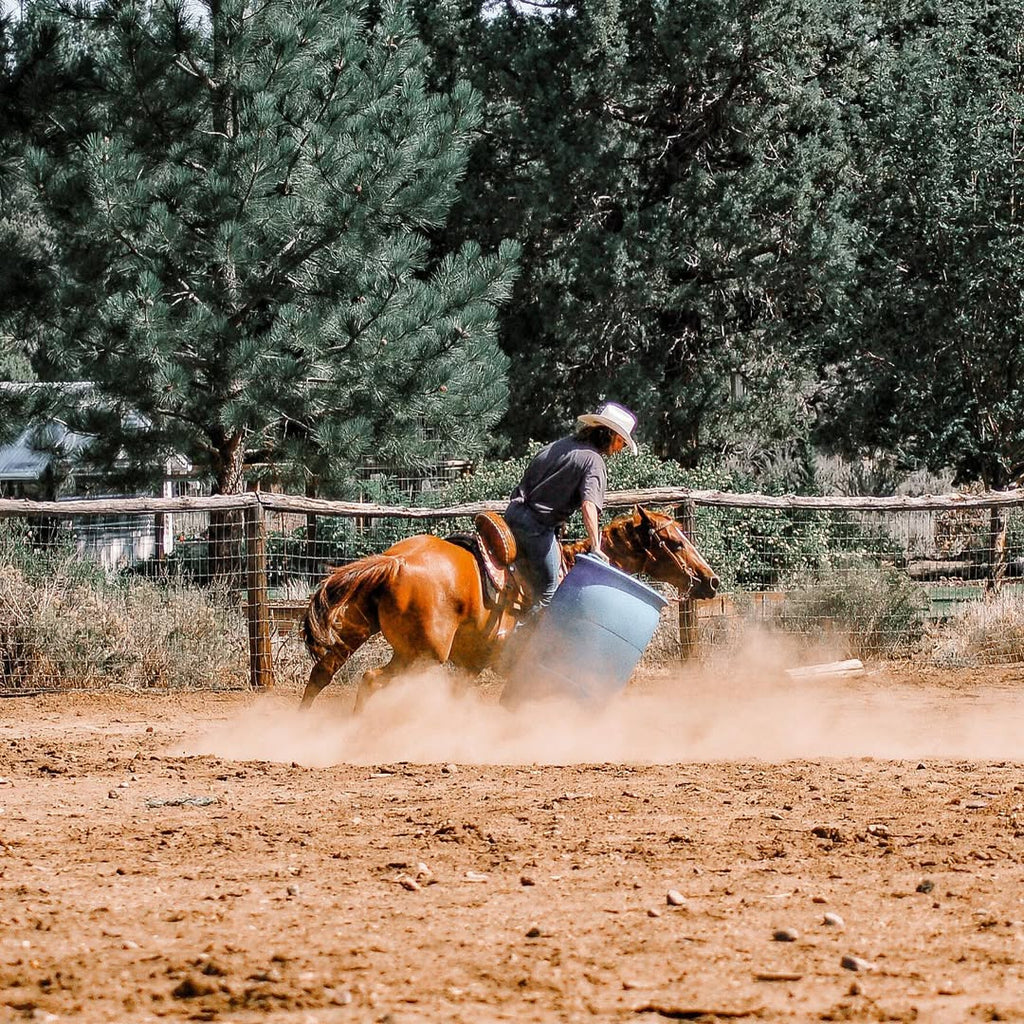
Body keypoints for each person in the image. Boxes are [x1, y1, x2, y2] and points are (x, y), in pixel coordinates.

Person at [504, 401, 639, 624]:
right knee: (550, 593)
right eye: (622, 443)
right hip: (536, 529)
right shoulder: (594, 462)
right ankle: (513, 647)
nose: (619, 450)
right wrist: (595, 546)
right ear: (611, 436)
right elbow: (589, 505)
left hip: (512, 515)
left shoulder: (560, 445)